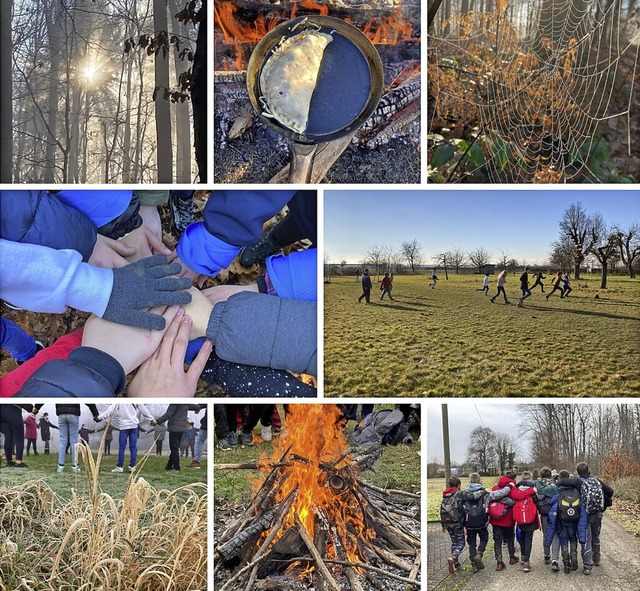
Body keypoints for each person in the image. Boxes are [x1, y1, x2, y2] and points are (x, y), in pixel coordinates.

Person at [557, 462, 614, 574]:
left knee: (586, 538)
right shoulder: (596, 480)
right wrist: (603, 504)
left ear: (578, 472)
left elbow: (560, 482)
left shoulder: (578, 481)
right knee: (596, 536)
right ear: (589, 471)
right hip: (597, 513)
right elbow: (610, 491)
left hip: (585, 513)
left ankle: (587, 566)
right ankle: (596, 559)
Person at [461, 473, 515, 573]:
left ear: (469, 481)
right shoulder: (485, 493)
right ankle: (480, 553)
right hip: (481, 523)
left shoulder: (464, 494)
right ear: (480, 481)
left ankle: (474, 565)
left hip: (469, 524)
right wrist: (510, 486)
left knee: (472, 543)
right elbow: (500, 494)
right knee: (484, 538)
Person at [544, 469, 587, 573]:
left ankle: (566, 564)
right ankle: (574, 555)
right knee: (573, 540)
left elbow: (553, 502)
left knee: (563, 542)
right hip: (574, 523)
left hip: (562, 524)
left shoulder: (559, 493)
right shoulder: (576, 492)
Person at [95, 404, 154, 473]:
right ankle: (132, 466)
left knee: (122, 447)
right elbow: (143, 409)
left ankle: (119, 467)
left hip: (124, 427)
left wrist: (99, 418)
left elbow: (110, 410)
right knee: (133, 447)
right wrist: (151, 418)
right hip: (134, 426)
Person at [152, 404, 202, 471]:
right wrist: (197, 409)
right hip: (181, 429)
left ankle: (177, 467)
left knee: (174, 448)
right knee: (175, 448)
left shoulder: (174, 403)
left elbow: (168, 414)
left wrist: (157, 421)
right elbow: (196, 406)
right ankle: (169, 466)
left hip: (174, 428)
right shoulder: (185, 403)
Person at [488, 472, 520, 570]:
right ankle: (512, 557)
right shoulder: (513, 488)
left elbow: (492, 498)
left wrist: (499, 499)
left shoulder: (494, 488)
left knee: (497, 540)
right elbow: (515, 500)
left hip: (495, 519)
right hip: (508, 518)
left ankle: (499, 562)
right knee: (510, 538)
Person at [55, 404, 99, 473]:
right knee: (73, 441)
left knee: (62, 440)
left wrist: (36, 408)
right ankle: (75, 466)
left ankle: (60, 466)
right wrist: (95, 414)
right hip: (73, 413)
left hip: (61, 413)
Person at [510, 471, 539, 572]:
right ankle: (526, 561)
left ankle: (523, 556)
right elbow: (537, 501)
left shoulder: (517, 490)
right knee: (528, 538)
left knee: (522, 536)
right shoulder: (533, 490)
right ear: (530, 479)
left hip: (520, 518)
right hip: (530, 518)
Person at [535, 467, 559, 566]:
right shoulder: (556, 485)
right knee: (556, 534)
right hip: (555, 512)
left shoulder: (540, 486)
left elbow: (538, 495)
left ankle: (546, 554)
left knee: (546, 534)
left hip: (544, 513)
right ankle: (555, 558)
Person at [440, 476, 465, 574]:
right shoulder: (459, 494)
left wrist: (443, 525)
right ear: (459, 485)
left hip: (447, 522)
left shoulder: (446, 494)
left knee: (454, 542)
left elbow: (441, 510)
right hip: (457, 522)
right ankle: (453, 558)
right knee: (461, 543)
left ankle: (456, 564)